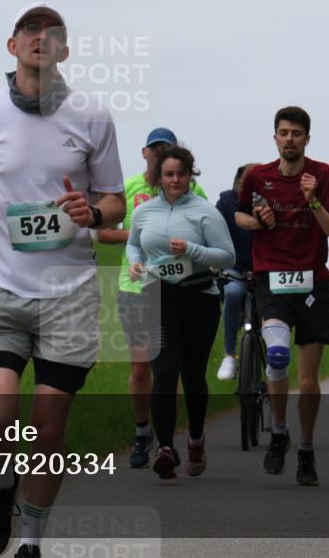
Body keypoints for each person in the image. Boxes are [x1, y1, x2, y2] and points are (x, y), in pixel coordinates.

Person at [0, 3, 125, 558]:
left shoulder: (93, 116)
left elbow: (116, 202)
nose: (40, 40)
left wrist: (93, 214)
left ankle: (31, 540)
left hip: (69, 295)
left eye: (52, 34)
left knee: (48, 434)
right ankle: (0, 488)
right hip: (1, 288)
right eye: (30, 31)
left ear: (64, 52)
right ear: (13, 46)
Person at [234, 106, 329, 486]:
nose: (289, 139)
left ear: (307, 139)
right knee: (277, 356)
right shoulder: (257, 177)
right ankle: (279, 432)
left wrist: (314, 202)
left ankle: (307, 448)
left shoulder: (324, 175)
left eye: (296, 133)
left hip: (312, 281)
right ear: (275, 137)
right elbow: (240, 217)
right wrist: (256, 221)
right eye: (283, 132)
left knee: (310, 380)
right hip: (272, 279)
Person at [96, 127, 207, 468]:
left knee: (167, 368)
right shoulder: (128, 189)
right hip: (134, 288)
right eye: (155, 149)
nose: (160, 153)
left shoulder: (189, 188)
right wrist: (141, 233)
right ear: (144, 153)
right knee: (141, 367)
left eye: (167, 148)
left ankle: (166, 440)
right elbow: (103, 233)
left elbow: (207, 227)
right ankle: (142, 430)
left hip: (176, 288)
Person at [126, 146, 234, 479]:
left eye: (181, 174)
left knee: (192, 375)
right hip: (159, 295)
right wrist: (135, 263)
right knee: (165, 370)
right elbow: (133, 242)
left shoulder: (205, 212)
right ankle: (166, 448)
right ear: (158, 177)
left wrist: (191, 249)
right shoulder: (145, 212)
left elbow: (226, 256)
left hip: (199, 296)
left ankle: (197, 439)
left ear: (190, 176)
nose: (175, 180)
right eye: (169, 174)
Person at [214, 163, 256, 381]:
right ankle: (229, 354)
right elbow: (212, 228)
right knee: (232, 293)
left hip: (265, 270)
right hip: (235, 266)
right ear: (238, 181)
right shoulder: (226, 201)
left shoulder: (271, 202)